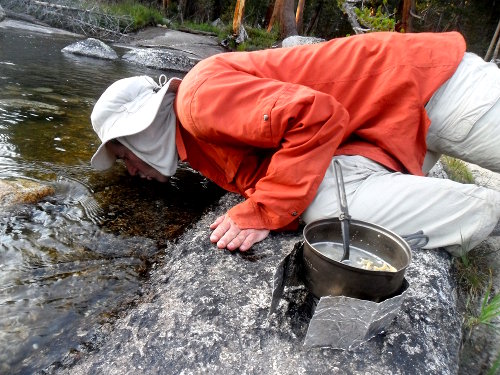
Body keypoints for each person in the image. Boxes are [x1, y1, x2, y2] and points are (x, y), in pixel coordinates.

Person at [90, 31, 500, 256]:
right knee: (319, 207)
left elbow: (317, 116)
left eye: (123, 154)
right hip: (384, 132)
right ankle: (487, 213)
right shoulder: (196, 145)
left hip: (429, 85)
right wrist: (271, 205)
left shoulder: (199, 102)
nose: (129, 169)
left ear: (142, 130)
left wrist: (263, 210)